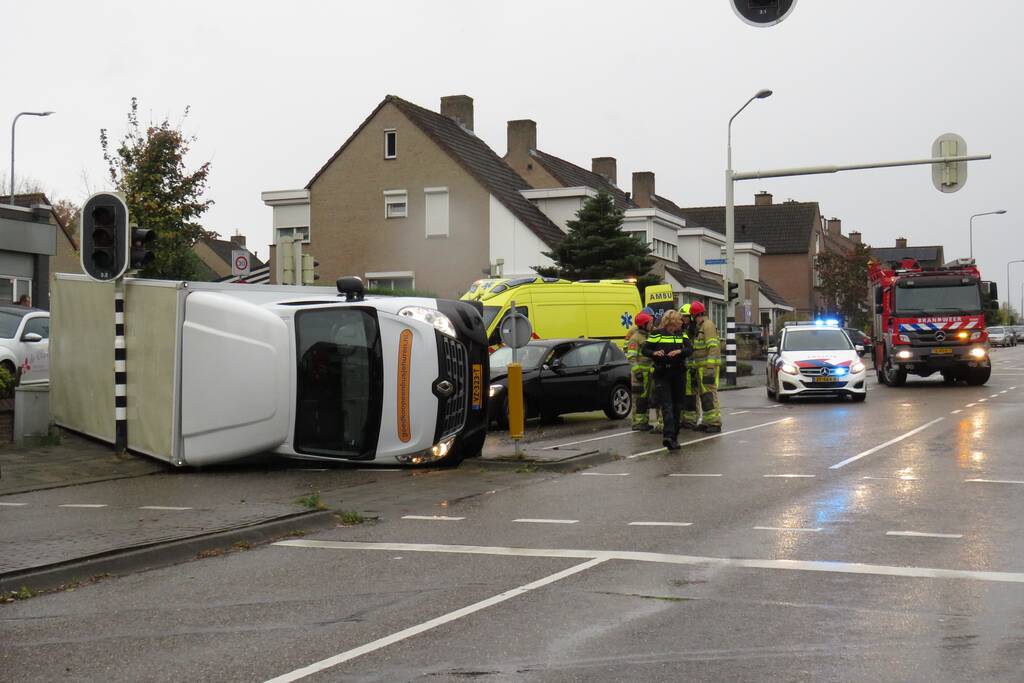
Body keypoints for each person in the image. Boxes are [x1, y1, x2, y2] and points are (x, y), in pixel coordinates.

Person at [642, 309, 692, 450]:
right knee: (667, 406)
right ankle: (668, 436)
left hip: (678, 373)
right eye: (679, 320)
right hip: (662, 373)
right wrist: (654, 353)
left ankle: (674, 437)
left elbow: (690, 349)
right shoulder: (657, 334)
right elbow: (645, 350)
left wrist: (680, 351)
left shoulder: (682, 334)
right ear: (673, 321)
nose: (682, 322)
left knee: (677, 406)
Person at [689, 301, 722, 433]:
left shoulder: (708, 326)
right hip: (701, 368)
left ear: (695, 315)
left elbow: (713, 347)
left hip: (707, 368)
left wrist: (710, 367)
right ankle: (707, 421)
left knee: (710, 394)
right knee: (704, 396)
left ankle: (715, 422)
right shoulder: (701, 327)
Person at [625, 310, 656, 431]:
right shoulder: (635, 339)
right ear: (643, 324)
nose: (651, 325)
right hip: (639, 375)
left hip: (648, 373)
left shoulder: (648, 336)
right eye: (649, 323)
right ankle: (638, 422)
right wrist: (637, 372)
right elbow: (631, 357)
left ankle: (644, 421)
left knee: (645, 398)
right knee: (639, 399)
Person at [679, 304, 700, 430]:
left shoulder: (694, 331)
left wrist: (693, 367)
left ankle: (693, 418)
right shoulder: (684, 330)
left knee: (693, 394)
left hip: (693, 367)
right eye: (683, 317)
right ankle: (686, 418)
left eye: (686, 317)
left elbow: (694, 350)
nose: (684, 319)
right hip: (685, 367)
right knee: (685, 394)